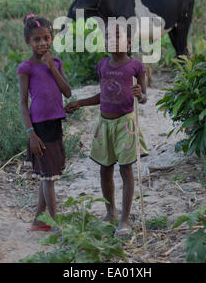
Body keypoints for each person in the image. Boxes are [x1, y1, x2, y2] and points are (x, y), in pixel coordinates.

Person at [65, 22, 148, 237]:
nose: (112, 41)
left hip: (125, 124)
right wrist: (80, 103)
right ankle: (110, 211)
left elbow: (144, 98)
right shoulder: (102, 65)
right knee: (105, 169)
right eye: (108, 37)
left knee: (126, 170)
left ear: (129, 42)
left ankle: (124, 219)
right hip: (104, 123)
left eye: (118, 37)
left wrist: (140, 94)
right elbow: (102, 95)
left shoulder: (136, 67)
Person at [17, 14, 71, 231]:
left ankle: (40, 220)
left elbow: (67, 92)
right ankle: (55, 223)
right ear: (28, 42)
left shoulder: (56, 62)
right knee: (48, 177)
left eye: (46, 38)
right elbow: (22, 103)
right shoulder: (26, 67)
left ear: (52, 38)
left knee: (48, 173)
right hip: (39, 128)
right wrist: (31, 134)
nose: (42, 43)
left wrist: (52, 67)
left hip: (55, 123)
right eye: (37, 39)